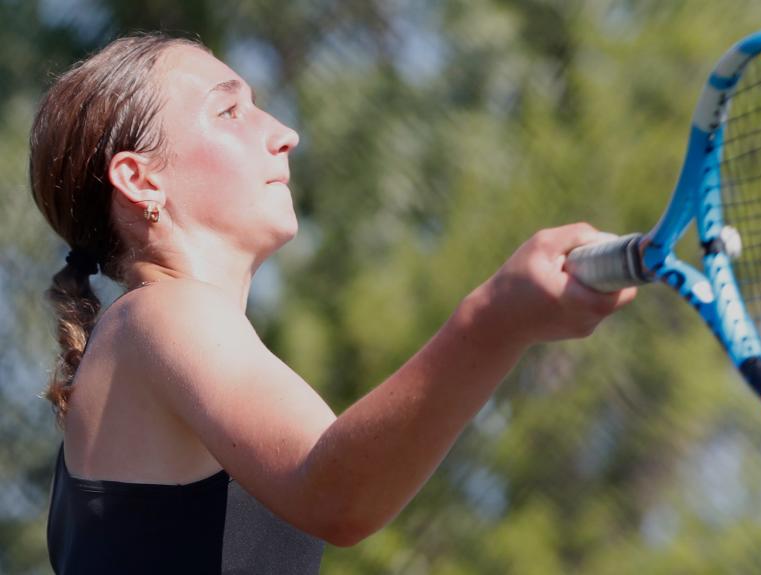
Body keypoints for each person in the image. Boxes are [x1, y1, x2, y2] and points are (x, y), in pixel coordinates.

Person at [31, 32, 636, 574]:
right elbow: (335, 496)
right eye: (230, 109)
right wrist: (496, 317)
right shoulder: (160, 315)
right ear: (140, 180)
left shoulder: (138, 345)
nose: (283, 132)